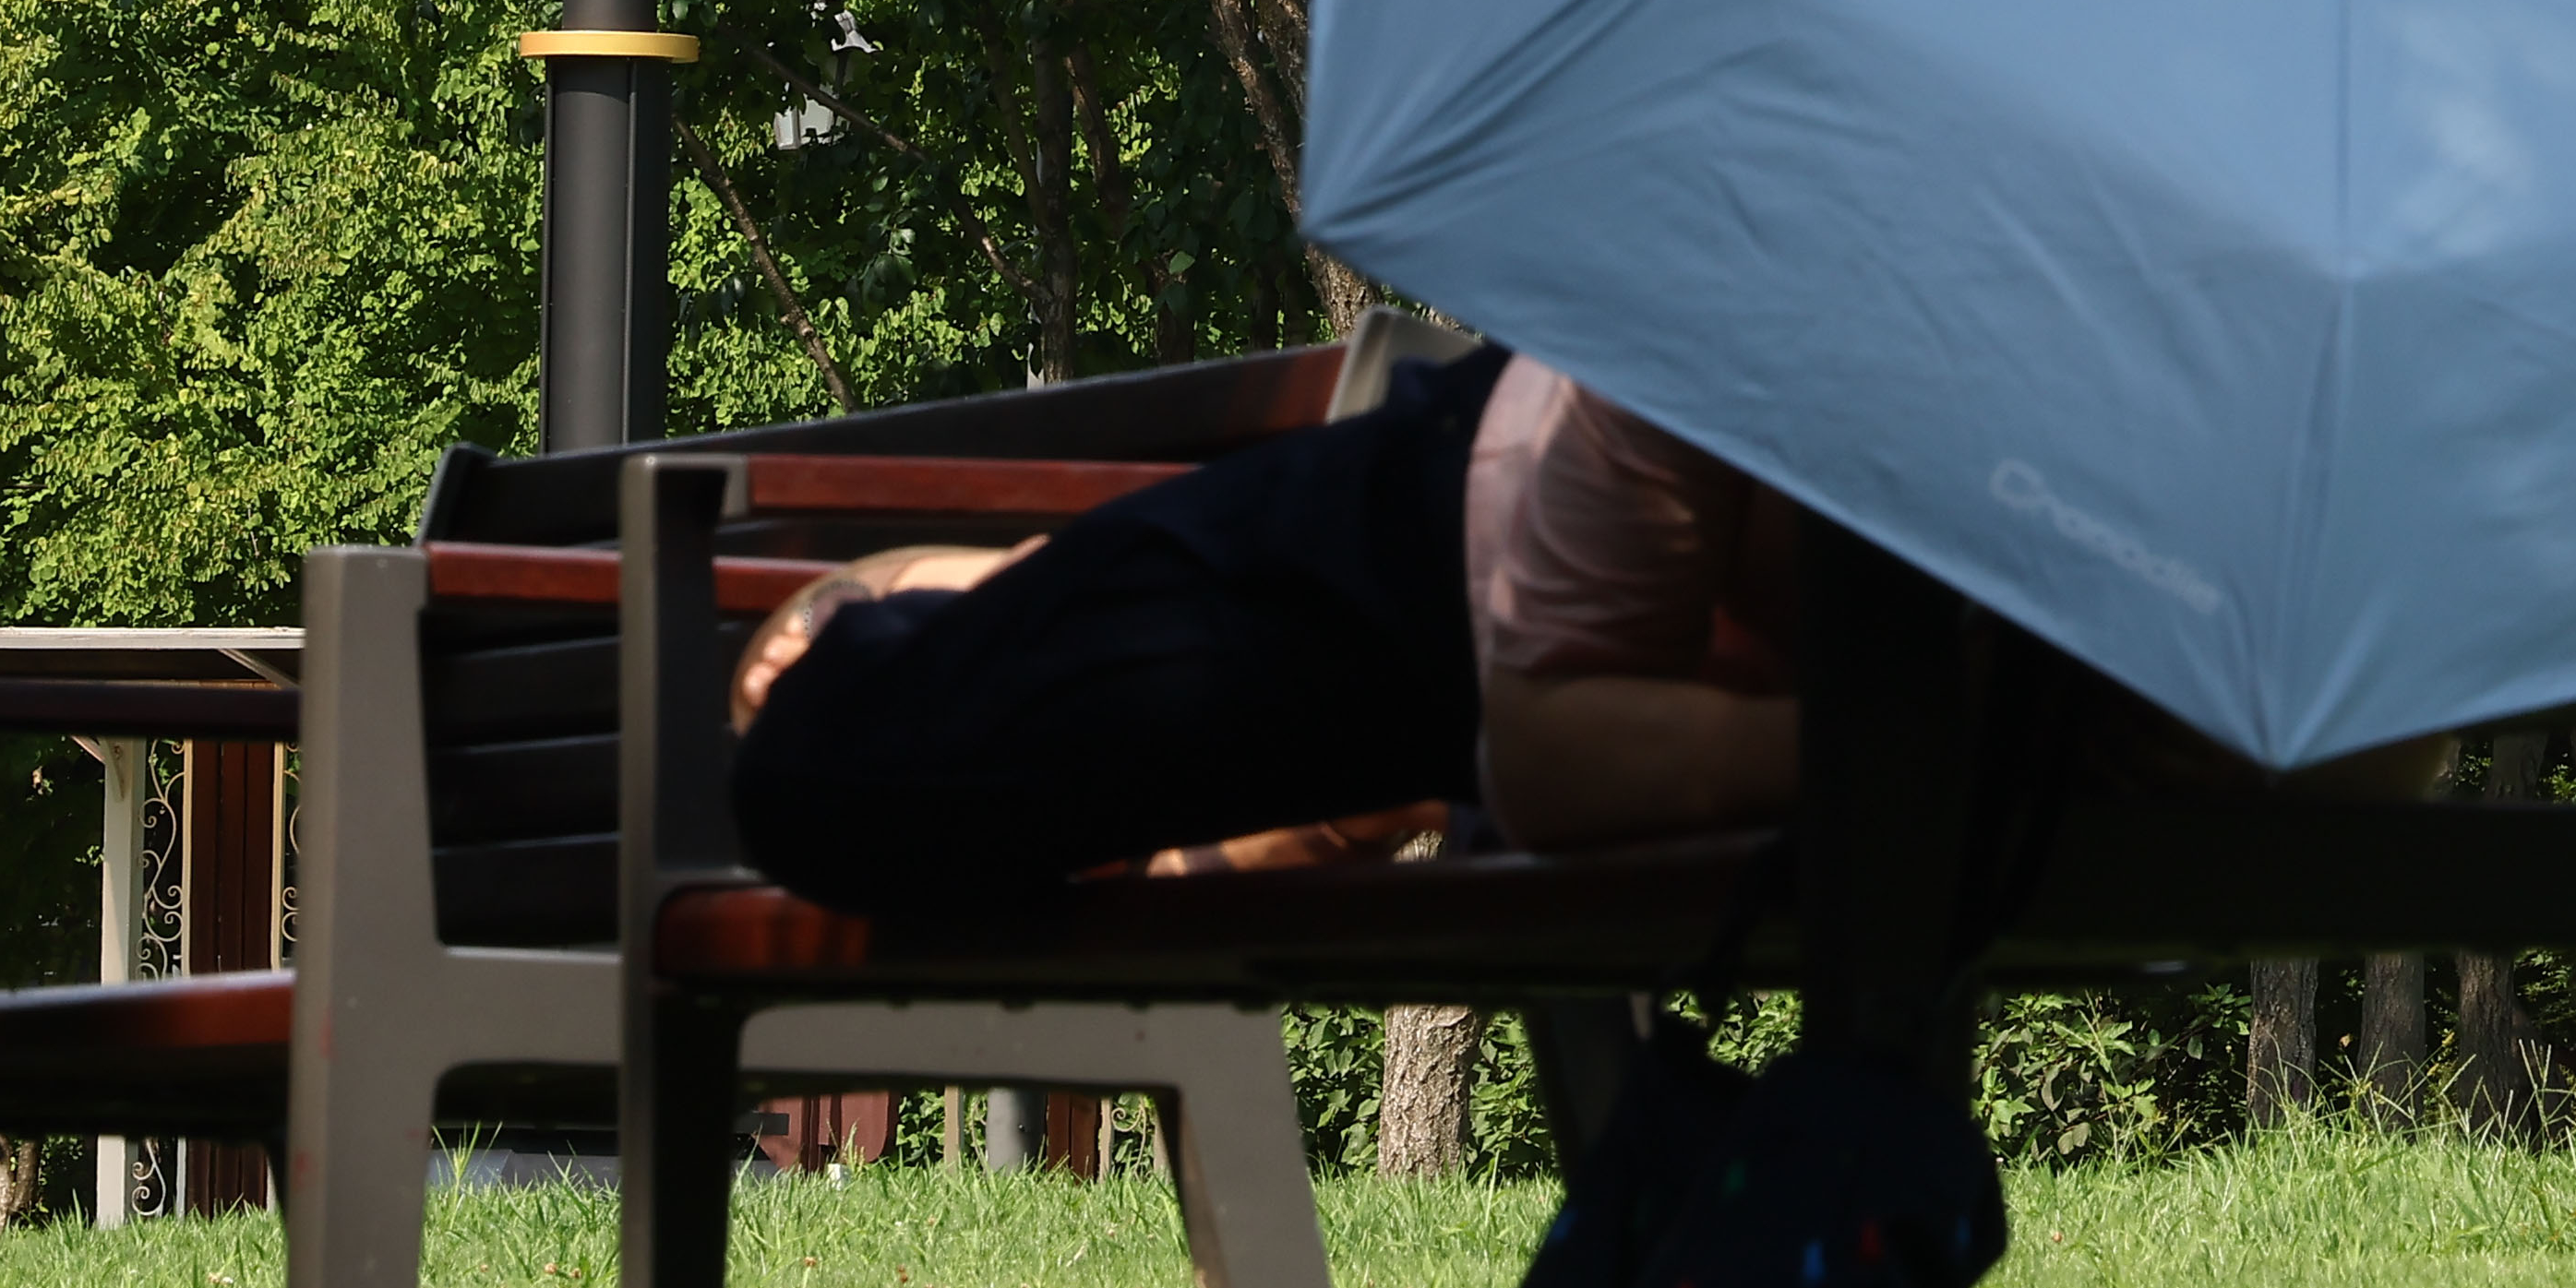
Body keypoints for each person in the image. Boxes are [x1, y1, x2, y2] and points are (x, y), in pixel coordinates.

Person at [725, 342, 1809, 916]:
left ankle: (955, 623)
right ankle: (941, 623)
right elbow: (1550, 764)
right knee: (820, 768)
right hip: (1411, 553)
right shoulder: (1669, 376)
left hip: (1402, 638)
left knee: (830, 766)